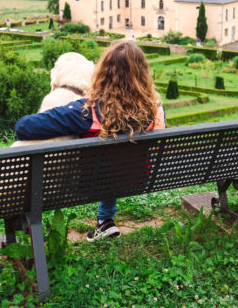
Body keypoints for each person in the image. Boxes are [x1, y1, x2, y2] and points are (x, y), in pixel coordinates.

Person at [15, 39, 165, 242]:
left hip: (89, 186)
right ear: (143, 74)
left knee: (106, 165)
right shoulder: (155, 109)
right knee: (116, 159)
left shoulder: (86, 111)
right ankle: (105, 220)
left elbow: (23, 127)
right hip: (138, 180)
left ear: (102, 72)